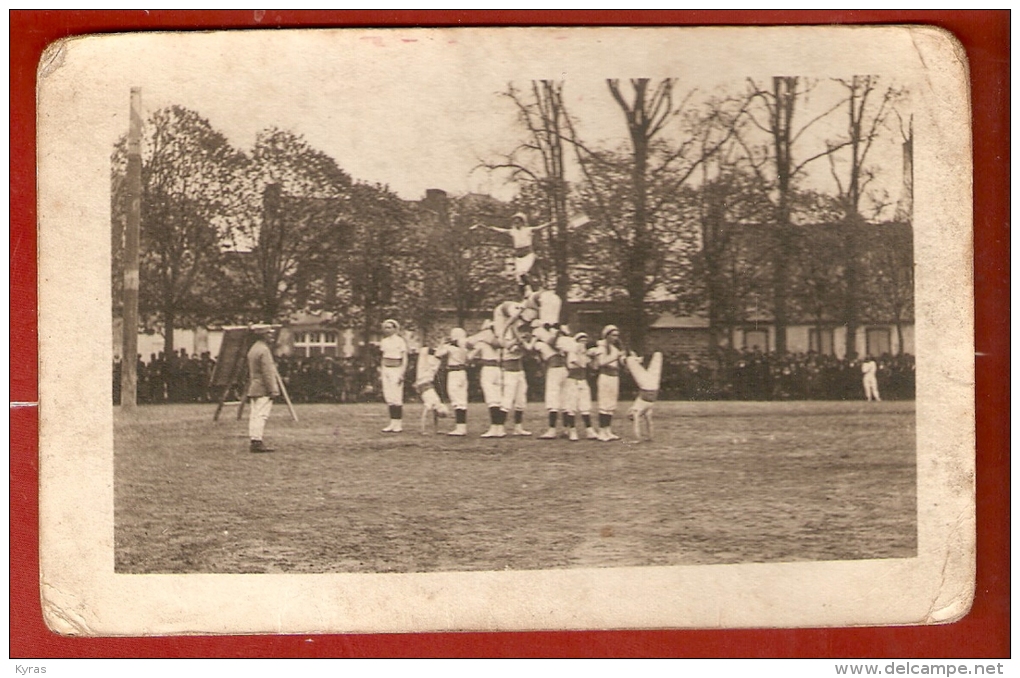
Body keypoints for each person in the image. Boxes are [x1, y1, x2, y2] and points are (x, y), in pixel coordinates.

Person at [471, 213, 551, 293]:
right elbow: (499, 230)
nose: (516, 224)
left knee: (523, 272)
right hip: (519, 256)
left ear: (523, 222)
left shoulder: (528, 230)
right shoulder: (513, 231)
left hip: (528, 254)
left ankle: (536, 287)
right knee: (518, 277)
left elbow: (539, 228)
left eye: (518, 222)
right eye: (515, 222)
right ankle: (525, 294)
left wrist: (550, 223)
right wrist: (484, 226)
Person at [466, 320, 505, 438]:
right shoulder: (499, 340)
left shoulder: (482, 341)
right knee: (498, 399)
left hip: (488, 369)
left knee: (492, 400)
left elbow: (469, 355)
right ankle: (500, 428)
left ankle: (494, 428)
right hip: (498, 369)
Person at [246, 325, 281, 453]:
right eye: (268, 334)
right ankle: (257, 441)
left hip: (255, 386)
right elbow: (268, 372)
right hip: (263, 388)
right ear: (263, 335)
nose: (271, 336)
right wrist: (273, 389)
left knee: (255, 415)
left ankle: (254, 439)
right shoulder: (264, 350)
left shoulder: (253, 349)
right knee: (261, 415)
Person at [562, 331, 598, 441]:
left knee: (585, 406)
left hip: (583, 381)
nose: (583, 343)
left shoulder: (585, 354)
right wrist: (585, 355)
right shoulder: (572, 353)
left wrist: (594, 358)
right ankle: (572, 430)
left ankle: (589, 430)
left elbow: (595, 367)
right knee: (571, 407)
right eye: (581, 341)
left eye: (585, 341)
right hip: (572, 381)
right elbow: (578, 364)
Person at [436, 327, 470, 436]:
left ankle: (460, 429)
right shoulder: (464, 348)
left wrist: (442, 343)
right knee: (462, 400)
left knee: (456, 399)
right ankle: (462, 427)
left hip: (454, 373)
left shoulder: (450, 347)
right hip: (462, 372)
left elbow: (438, 354)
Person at [593, 325, 624, 441]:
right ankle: (601, 431)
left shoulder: (614, 348)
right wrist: (616, 356)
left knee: (611, 405)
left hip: (614, 377)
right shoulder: (601, 347)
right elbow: (601, 362)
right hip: (605, 376)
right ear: (607, 335)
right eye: (613, 335)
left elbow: (620, 362)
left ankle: (608, 431)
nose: (616, 338)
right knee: (604, 405)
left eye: (617, 335)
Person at [625, 351, 663, 442]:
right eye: (629, 413)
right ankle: (635, 359)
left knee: (658, 355)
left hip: (652, 387)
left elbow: (649, 423)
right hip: (648, 386)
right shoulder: (637, 410)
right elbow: (639, 424)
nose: (629, 411)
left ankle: (636, 359)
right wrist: (637, 439)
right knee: (630, 360)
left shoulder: (645, 410)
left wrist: (650, 437)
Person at [379, 318, 409, 432]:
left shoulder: (400, 341)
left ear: (395, 329)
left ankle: (398, 424)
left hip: (396, 369)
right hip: (386, 368)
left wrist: (402, 373)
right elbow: (383, 357)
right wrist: (382, 371)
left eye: (389, 327)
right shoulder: (384, 341)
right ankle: (392, 423)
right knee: (389, 397)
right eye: (385, 327)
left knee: (396, 397)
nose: (387, 330)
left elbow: (404, 358)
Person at [414, 346, 450, 434]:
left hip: (423, 382)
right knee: (429, 362)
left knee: (426, 359)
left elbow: (425, 415)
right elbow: (426, 416)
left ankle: (434, 349)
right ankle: (437, 349)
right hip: (425, 381)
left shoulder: (434, 403)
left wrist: (424, 430)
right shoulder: (435, 403)